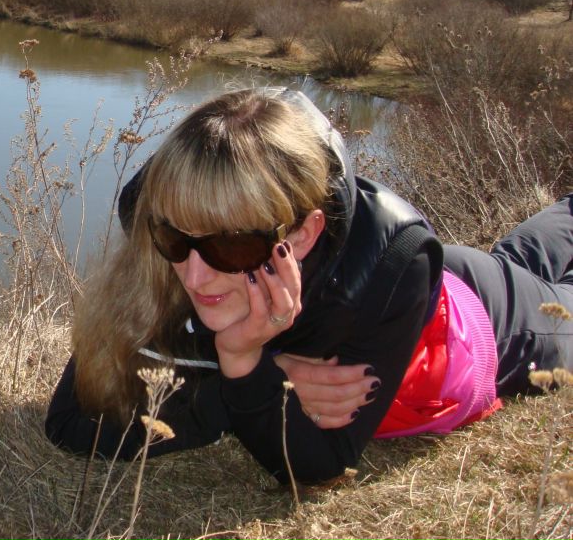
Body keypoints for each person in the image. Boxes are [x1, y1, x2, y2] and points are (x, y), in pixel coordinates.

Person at [45, 87, 573, 484]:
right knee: (529, 247)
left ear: (301, 233)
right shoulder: (172, 239)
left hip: (480, 323)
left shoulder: (391, 265)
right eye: (174, 235)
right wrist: (245, 368)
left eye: (230, 246)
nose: (195, 275)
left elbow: (321, 463)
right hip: (458, 272)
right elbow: (68, 421)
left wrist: (245, 370)